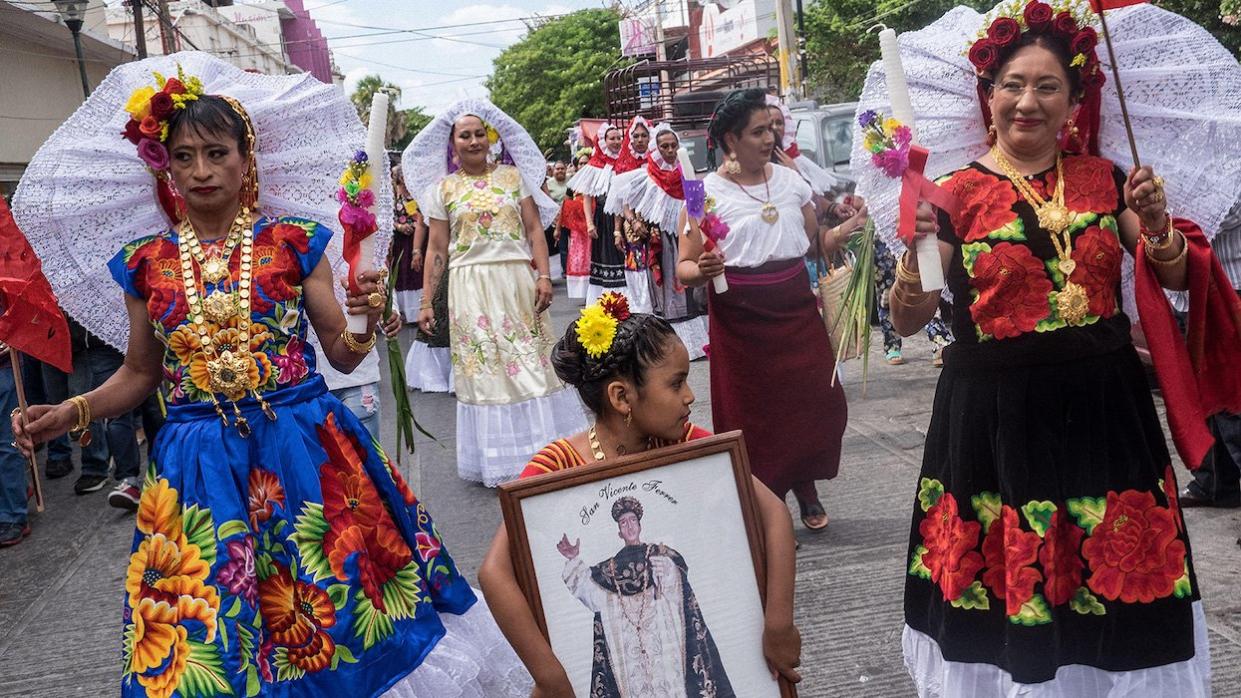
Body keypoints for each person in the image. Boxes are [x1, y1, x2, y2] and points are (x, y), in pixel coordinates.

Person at [11, 67, 529, 696]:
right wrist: (73, 412)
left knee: (332, 610)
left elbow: (340, 352)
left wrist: (366, 313)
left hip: (301, 448)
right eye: (183, 156)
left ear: (244, 160)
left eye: (216, 153)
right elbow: (140, 374)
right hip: (198, 465)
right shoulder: (145, 265)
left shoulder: (296, 244)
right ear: (164, 168)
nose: (201, 169)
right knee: (209, 633)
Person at [894, 7, 1212, 692]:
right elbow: (911, 318)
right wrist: (910, 257)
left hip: (1103, 415)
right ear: (988, 95)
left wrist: (1158, 226)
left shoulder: (1105, 177)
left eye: (1046, 87)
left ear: (1072, 100)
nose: (1026, 102)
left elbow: (1177, 274)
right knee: (1017, 585)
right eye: (1012, 84)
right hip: (993, 422)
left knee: (1112, 580)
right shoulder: (950, 196)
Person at [478, 294, 801, 697]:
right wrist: (550, 676)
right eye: (676, 383)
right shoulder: (557, 465)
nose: (690, 397)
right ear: (621, 397)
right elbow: (494, 573)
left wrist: (778, 622)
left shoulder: (690, 446)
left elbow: (773, 515)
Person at [677, 89, 855, 532]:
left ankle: (804, 483)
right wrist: (701, 268)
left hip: (795, 308)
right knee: (754, 414)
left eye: (772, 128)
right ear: (730, 140)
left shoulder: (791, 180)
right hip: (741, 319)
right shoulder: (702, 195)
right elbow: (684, 268)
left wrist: (851, 228)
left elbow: (817, 245)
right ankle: (768, 506)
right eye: (758, 131)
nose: (769, 137)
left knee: (818, 402)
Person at [404, 99, 587, 486]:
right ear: (452, 145)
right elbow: (437, 249)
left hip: (516, 282)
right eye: (463, 135)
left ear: (490, 138)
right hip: (469, 288)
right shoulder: (443, 190)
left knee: (531, 365)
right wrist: (425, 302)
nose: (473, 141)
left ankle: (548, 452)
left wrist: (541, 276)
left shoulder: (512, 178)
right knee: (486, 370)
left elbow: (535, 230)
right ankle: (502, 461)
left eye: (478, 134)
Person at [556, 495, 733, 696]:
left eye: (633, 521)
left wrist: (668, 573)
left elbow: (680, 595)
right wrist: (573, 559)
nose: (629, 527)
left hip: (666, 645)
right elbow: (590, 594)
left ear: (640, 525)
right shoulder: (609, 570)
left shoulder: (662, 555)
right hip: (630, 658)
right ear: (619, 532)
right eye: (624, 523)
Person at [614, 122, 710, 360]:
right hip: (659, 241)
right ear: (656, 149)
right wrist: (635, 222)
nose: (669, 150)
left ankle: (698, 342)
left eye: (673, 145)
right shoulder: (646, 176)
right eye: (664, 146)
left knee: (692, 289)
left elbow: (700, 207)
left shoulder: (687, 173)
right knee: (667, 290)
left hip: (685, 237)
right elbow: (626, 202)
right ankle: (670, 344)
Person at [1179, 203, 1241, 510]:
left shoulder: (1228, 158)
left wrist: (1173, 214)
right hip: (1189, 287)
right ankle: (1213, 483)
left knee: (1233, 398)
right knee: (1199, 395)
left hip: (1232, 283)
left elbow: (1231, 212)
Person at [568, 124, 629, 304]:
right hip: (604, 219)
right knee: (607, 259)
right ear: (603, 141)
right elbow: (587, 197)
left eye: (619, 138)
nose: (617, 141)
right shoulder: (595, 165)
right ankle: (609, 302)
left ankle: (629, 301)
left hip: (626, 217)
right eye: (612, 138)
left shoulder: (626, 161)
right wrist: (589, 223)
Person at [873, 236, 954, 366]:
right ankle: (891, 342)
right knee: (886, 288)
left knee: (927, 283)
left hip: (918, 226)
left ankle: (938, 337)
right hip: (885, 229)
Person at [606, 117, 657, 313]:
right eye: (636, 136)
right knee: (638, 267)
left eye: (644, 135)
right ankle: (642, 312)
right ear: (630, 138)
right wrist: (620, 229)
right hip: (633, 223)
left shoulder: (657, 160)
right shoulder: (625, 163)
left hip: (655, 221)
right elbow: (622, 201)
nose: (640, 139)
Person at [0, 342, 29, 547]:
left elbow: (20, 314)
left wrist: (12, 338)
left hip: (4, 368)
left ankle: (12, 516)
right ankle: (15, 495)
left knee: (6, 442)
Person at [389, 164, 426, 322]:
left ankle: (415, 311)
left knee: (414, 273)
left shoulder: (414, 196)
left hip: (413, 239)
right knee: (401, 274)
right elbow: (387, 218)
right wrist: (399, 226)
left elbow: (419, 218)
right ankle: (403, 311)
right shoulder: (392, 196)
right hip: (399, 240)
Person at [545, 161, 570, 279]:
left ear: (566, 169)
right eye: (557, 169)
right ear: (553, 171)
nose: (560, 171)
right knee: (563, 246)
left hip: (572, 218)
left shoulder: (572, 181)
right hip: (556, 219)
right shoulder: (548, 184)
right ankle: (566, 270)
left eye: (562, 169)